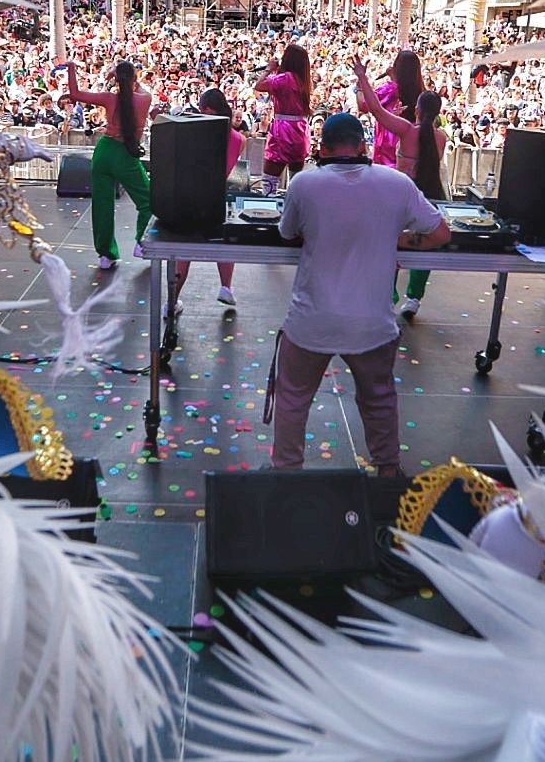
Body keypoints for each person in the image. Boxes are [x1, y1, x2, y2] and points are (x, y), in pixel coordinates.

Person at [266, 113, 450, 476]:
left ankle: (286, 474)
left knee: (293, 398)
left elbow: (288, 234)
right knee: (379, 400)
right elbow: (440, 233)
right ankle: (387, 473)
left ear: (322, 148)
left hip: (311, 321)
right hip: (373, 323)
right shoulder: (396, 183)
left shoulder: (305, 184)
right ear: (364, 146)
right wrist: (399, 239)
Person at [354, 58, 446, 321]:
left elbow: (374, 110)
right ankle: (414, 298)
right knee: (425, 245)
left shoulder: (407, 131)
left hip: (401, 197)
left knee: (389, 244)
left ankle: (388, 294)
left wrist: (362, 77)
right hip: (429, 197)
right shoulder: (440, 137)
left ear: (416, 109)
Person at [66, 59, 152, 269]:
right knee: (148, 201)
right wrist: (122, 76)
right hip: (125, 155)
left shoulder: (109, 99)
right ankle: (141, 242)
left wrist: (71, 68)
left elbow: (75, 93)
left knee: (102, 205)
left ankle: (106, 255)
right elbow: (138, 88)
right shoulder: (144, 99)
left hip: (104, 153)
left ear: (117, 79)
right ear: (134, 78)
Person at [173, 88, 243, 309]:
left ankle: (172, 302)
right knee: (224, 243)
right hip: (217, 196)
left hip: (190, 196)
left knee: (184, 251)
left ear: (204, 109)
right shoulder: (239, 138)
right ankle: (226, 288)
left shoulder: (195, 133)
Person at [252, 42, 313, 194]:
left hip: (283, 129)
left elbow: (259, 86)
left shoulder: (284, 78)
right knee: (295, 181)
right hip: (300, 128)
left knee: (269, 181)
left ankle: (269, 211)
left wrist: (269, 69)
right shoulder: (304, 80)